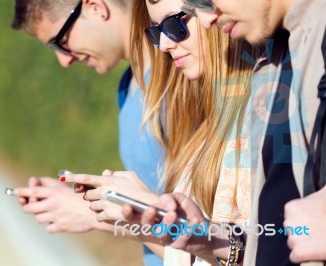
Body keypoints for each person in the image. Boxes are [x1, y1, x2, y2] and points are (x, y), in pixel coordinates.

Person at [61, 0, 259, 264]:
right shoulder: (208, 127)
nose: (164, 45)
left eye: (174, 24)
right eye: (156, 32)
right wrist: (136, 213)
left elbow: (274, 246)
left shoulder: (266, 110)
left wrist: (144, 211)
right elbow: (196, 256)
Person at [150, 0, 326, 264]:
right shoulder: (278, 57)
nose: (208, 18)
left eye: (204, 1)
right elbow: (274, 233)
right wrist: (211, 240)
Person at [10, 0, 164, 265]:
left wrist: (95, 214)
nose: (64, 60)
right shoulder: (127, 89)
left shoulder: (181, 81)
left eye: (60, 41)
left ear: (95, 7)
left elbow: (207, 237)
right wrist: (91, 202)